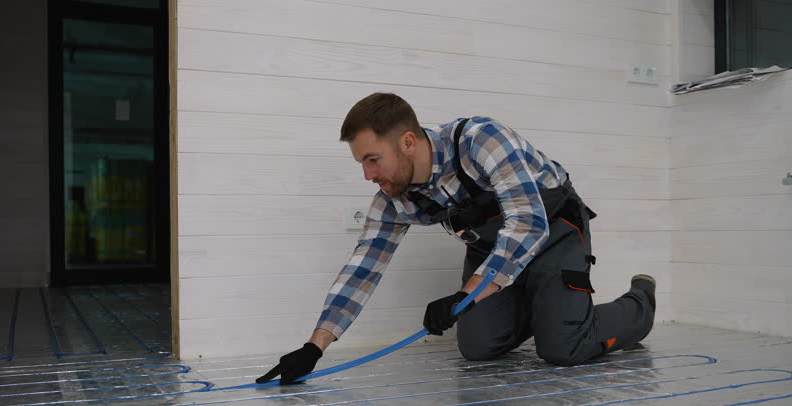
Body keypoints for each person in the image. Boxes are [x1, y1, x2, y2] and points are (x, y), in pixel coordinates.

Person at [256, 93, 655, 385]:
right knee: (478, 347)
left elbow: (527, 223)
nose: (368, 175)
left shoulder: (481, 140)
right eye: (361, 163)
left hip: (553, 233)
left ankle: (640, 301)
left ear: (408, 142)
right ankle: (549, 308)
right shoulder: (395, 199)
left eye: (372, 160)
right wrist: (315, 347)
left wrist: (467, 293)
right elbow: (362, 271)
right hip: (494, 254)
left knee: (563, 350)